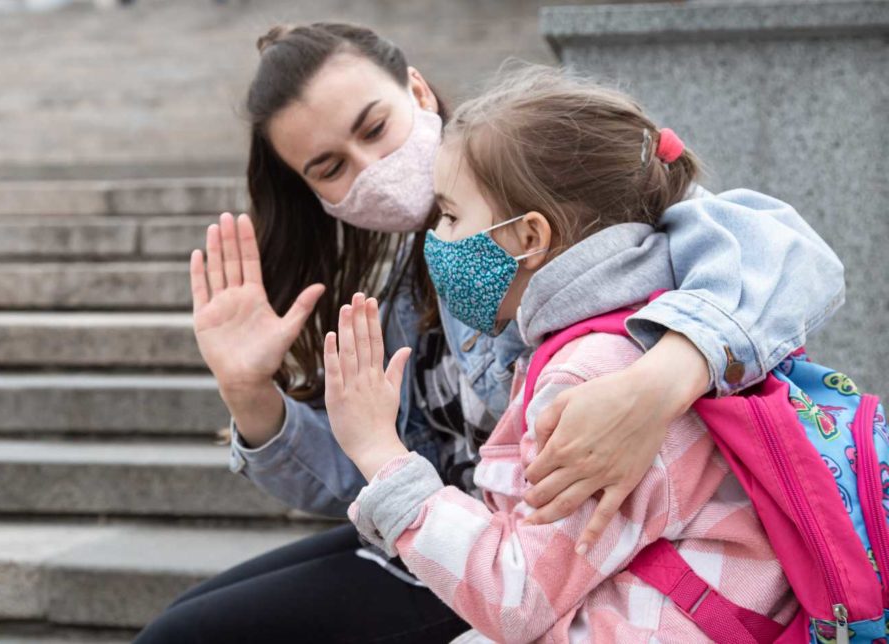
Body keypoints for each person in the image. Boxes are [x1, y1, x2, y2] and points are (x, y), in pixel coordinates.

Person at [133, 23, 841, 643]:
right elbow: (368, 470)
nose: (368, 168)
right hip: (456, 530)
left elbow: (783, 251)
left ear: (415, 90)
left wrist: (662, 381)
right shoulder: (404, 279)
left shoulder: (538, 175)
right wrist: (251, 393)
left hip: (523, 563)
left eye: (373, 128)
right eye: (330, 167)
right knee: (188, 616)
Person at [329, 63, 799, 643]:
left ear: (529, 237)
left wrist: (379, 452)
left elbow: (518, 597)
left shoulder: (588, 375)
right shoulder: (645, 318)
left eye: (450, 215)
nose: (438, 238)